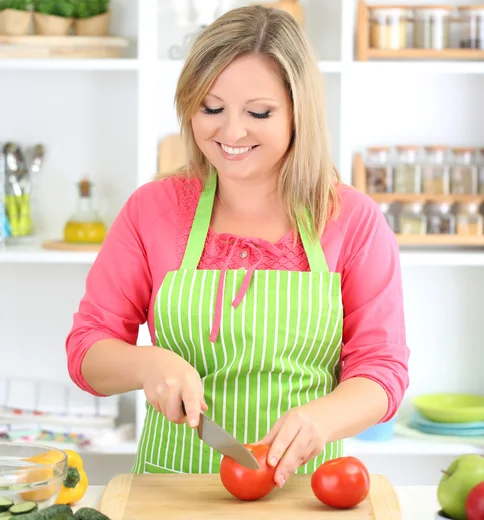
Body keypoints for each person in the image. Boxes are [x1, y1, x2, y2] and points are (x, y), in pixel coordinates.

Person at [66, 5, 409, 488]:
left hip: (307, 495)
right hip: (171, 492)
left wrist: (325, 418)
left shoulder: (352, 220)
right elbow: (87, 351)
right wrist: (148, 363)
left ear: (298, 112)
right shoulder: (152, 210)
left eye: (259, 112)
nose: (230, 132)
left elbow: (383, 367)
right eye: (211, 108)